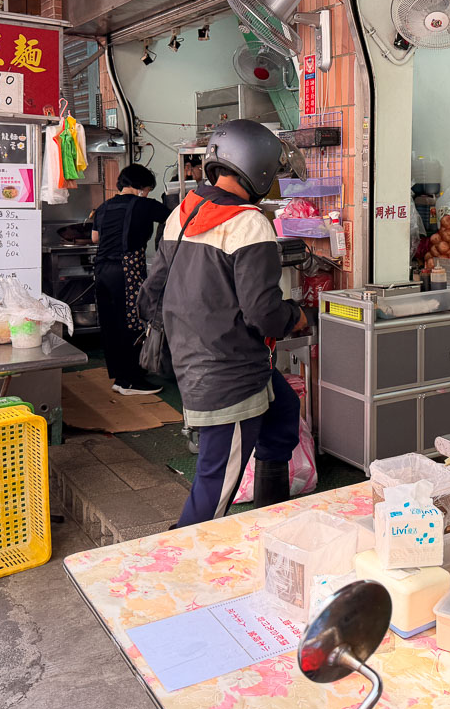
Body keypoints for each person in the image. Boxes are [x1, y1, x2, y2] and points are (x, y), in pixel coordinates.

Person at [140, 120, 308, 527]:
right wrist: (297, 317)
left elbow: (151, 295)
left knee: (283, 412)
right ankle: (182, 551)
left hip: (200, 356)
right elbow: (262, 312)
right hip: (227, 370)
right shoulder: (250, 223)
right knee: (216, 481)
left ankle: (270, 514)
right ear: (260, 167)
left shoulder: (184, 210)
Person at [91, 164, 170, 396]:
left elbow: (95, 237)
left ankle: (121, 376)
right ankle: (131, 381)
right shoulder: (145, 205)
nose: (147, 193)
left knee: (111, 323)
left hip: (102, 269)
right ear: (140, 187)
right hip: (126, 269)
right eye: (147, 189)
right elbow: (176, 218)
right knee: (132, 322)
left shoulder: (104, 207)